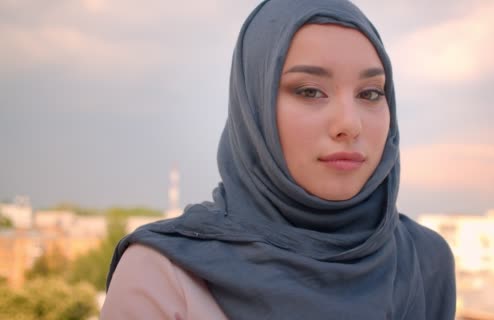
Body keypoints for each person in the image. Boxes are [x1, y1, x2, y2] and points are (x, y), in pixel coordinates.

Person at [101, 0, 456, 319]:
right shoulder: (164, 276)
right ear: (253, 110)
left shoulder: (424, 261)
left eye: (370, 93)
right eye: (309, 91)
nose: (349, 123)